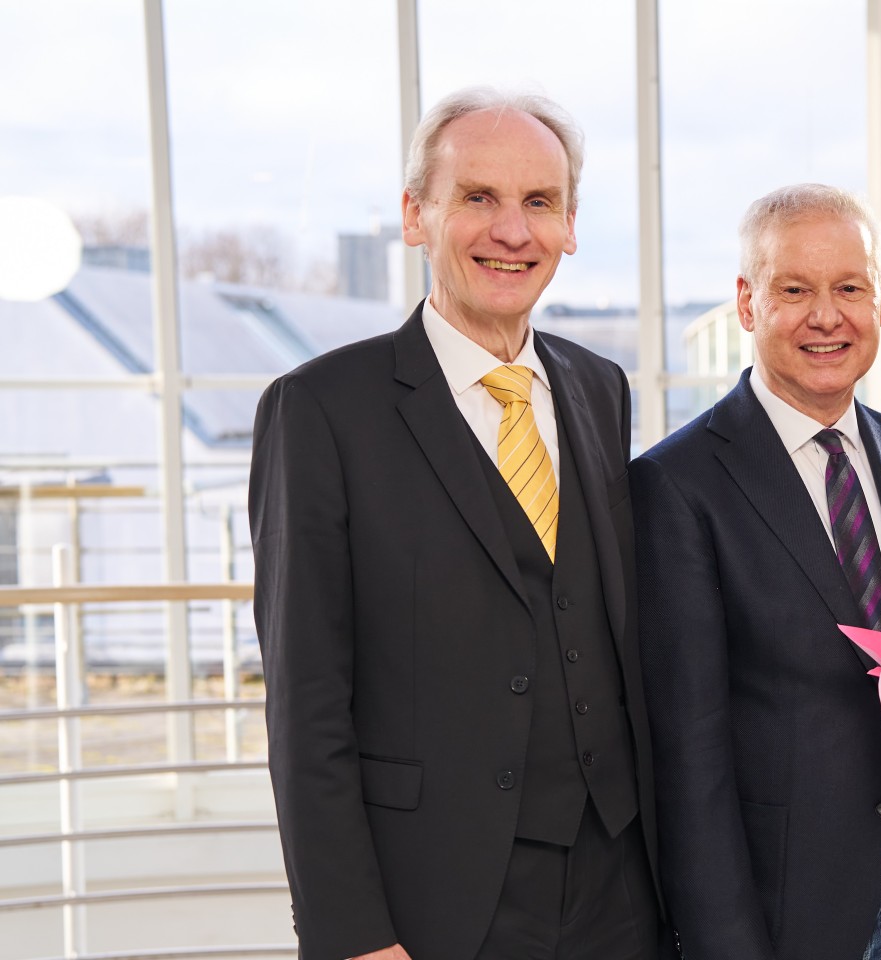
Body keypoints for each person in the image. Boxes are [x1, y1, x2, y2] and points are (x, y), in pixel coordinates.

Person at [250, 88, 661, 960]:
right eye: (478, 197)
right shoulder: (321, 409)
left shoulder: (600, 388)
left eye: (539, 202)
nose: (512, 231)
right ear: (416, 215)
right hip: (436, 899)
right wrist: (353, 935)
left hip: (620, 890)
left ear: (570, 227)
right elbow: (306, 704)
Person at [632, 184, 881, 960]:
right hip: (780, 920)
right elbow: (688, 757)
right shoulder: (677, 484)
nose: (827, 317)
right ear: (747, 302)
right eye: (795, 290)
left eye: (849, 288)